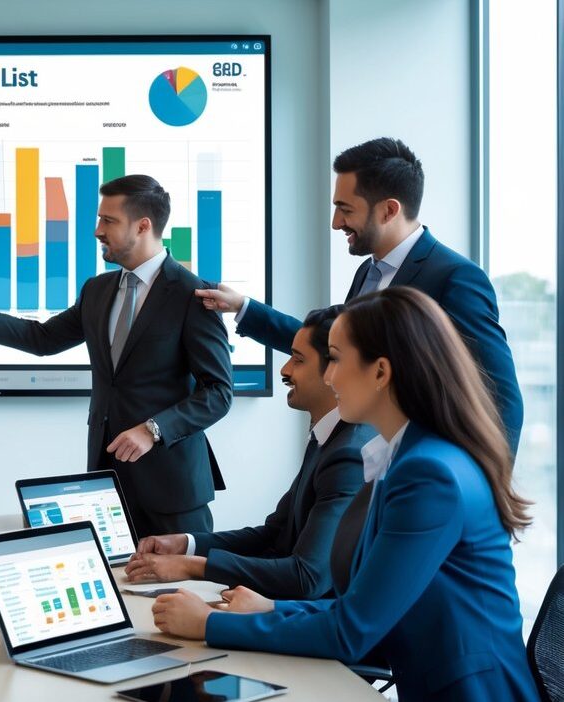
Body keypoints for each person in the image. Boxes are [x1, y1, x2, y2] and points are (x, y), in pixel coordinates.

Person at [152, 287, 537, 702]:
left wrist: (208, 623)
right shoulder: (408, 456)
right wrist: (273, 610)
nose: (329, 376)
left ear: (380, 372)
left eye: (335, 358)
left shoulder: (429, 475)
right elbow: (364, 605)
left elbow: (353, 629)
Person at [0, 174, 232, 534]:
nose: (97, 230)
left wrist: (154, 430)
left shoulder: (193, 295)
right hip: (106, 484)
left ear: (143, 225)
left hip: (172, 489)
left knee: (178, 588)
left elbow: (219, 393)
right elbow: (42, 339)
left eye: (109, 221)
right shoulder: (98, 290)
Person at [196, 137, 523, 452]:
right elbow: (331, 350)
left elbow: (502, 397)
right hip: (367, 467)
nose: (336, 222)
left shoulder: (454, 278)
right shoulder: (367, 273)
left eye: (345, 209)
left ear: (389, 210)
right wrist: (243, 307)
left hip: (424, 472)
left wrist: (488, 489)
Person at [125, 305, 369, 600]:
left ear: (336, 369)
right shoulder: (327, 440)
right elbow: (275, 536)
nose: (285, 370)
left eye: (298, 360)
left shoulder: (349, 455)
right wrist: (187, 544)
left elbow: (308, 578)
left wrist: (193, 567)